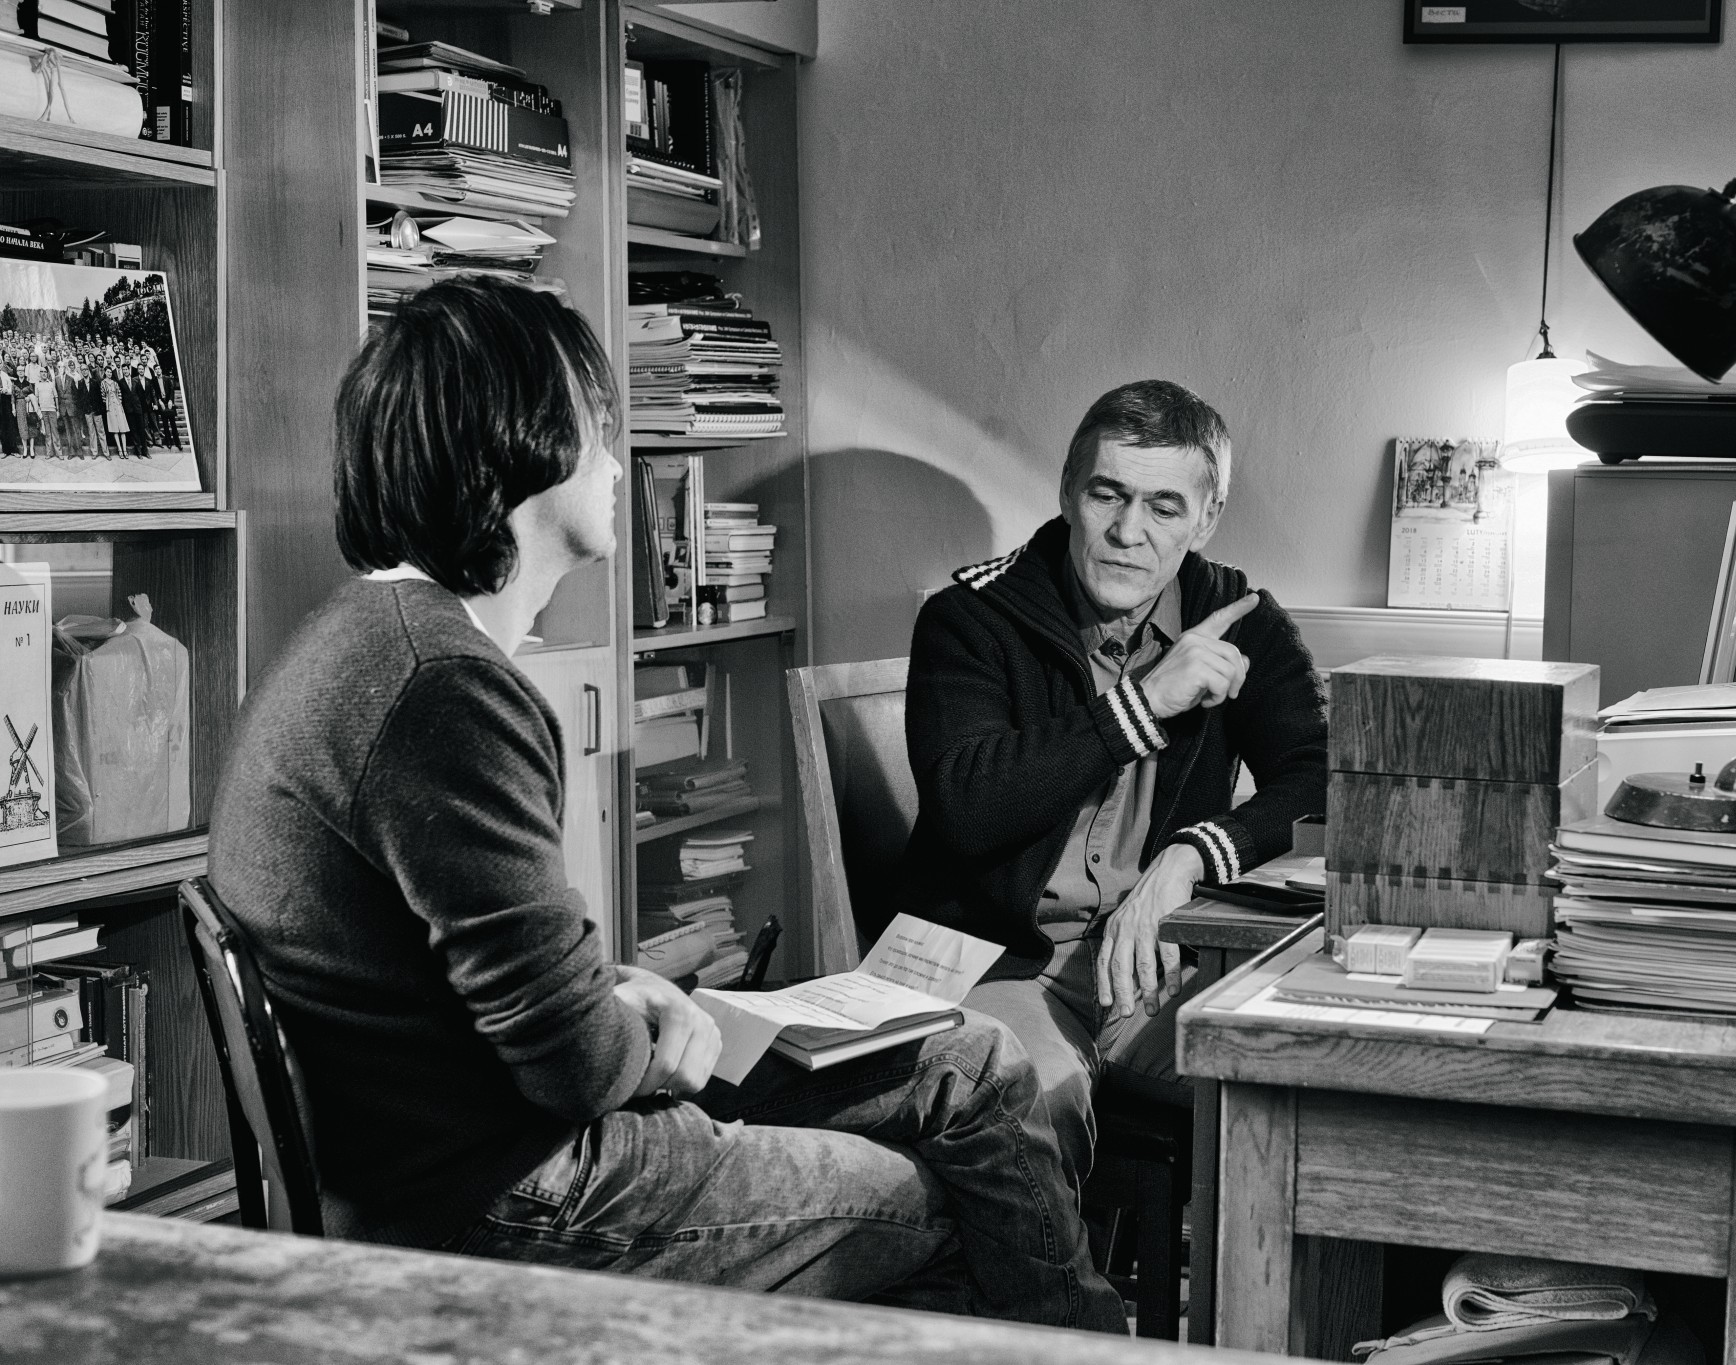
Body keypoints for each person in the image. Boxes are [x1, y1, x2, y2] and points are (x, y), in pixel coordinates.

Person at [207, 278, 1123, 1332]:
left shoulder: (377, 642)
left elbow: (469, 974)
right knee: (947, 1204)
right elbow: (573, 1067)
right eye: (599, 428)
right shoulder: (442, 687)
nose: (615, 461)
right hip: (504, 1187)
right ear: (520, 442)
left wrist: (622, 999)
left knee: (972, 1061)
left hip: (473, 1131)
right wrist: (646, 1032)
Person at [895, 379, 1329, 1177]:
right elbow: (966, 806)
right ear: (1068, 491)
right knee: (1024, 1096)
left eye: (1164, 507)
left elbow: (1322, 779)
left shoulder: (1239, 617)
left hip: (1159, 966)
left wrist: (1192, 857)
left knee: (1315, 1083)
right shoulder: (972, 616)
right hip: (1002, 967)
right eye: (1107, 495)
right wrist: (1144, 704)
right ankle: (1067, 1272)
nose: (1129, 532)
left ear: (1206, 519)